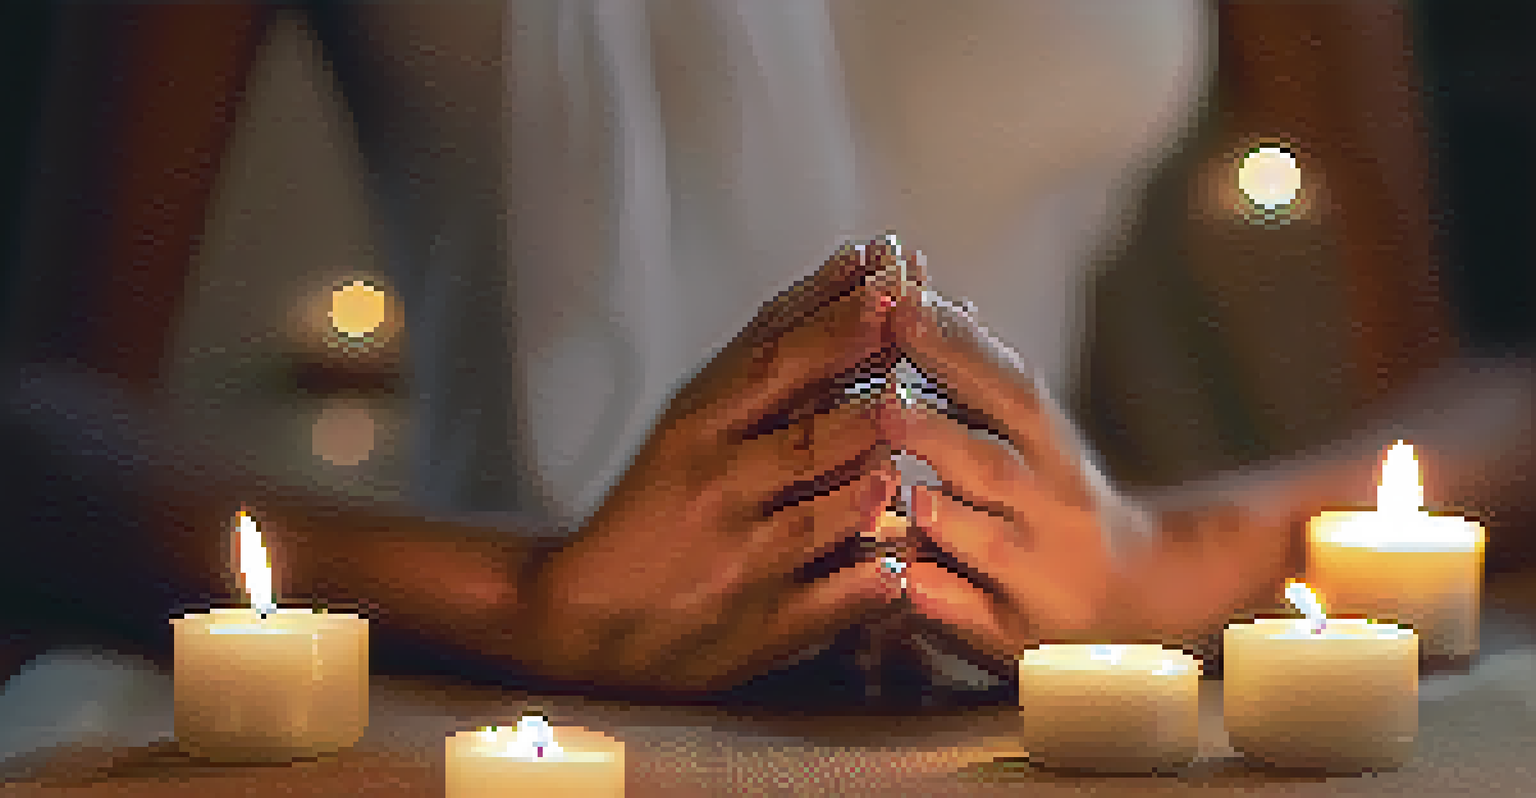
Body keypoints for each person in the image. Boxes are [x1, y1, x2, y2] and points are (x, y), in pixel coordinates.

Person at [4, 1, 1533, 707]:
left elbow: (1461, 386)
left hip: (1031, 703)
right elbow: (40, 418)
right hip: (460, 705)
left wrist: (1168, 564)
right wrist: (515, 595)